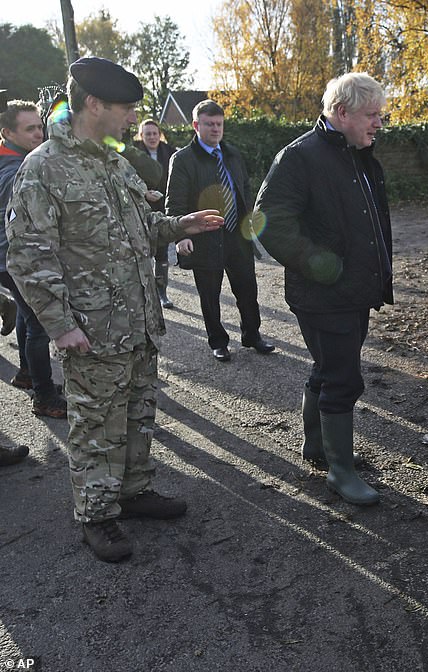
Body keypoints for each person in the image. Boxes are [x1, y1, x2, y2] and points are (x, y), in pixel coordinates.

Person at [5, 57, 224, 562]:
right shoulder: (43, 168)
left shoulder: (114, 161)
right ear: (94, 104)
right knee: (94, 424)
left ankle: (134, 490)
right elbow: (27, 255)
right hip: (90, 329)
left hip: (137, 321)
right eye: (125, 110)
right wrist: (59, 327)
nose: (132, 119)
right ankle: (97, 515)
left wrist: (178, 225)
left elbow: (141, 230)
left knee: (136, 414)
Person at [254, 72, 391, 506]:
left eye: (381, 116)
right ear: (342, 112)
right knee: (342, 377)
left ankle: (319, 448)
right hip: (324, 294)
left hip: (353, 291)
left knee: (330, 366)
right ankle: (340, 470)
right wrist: (321, 265)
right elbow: (268, 222)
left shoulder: (357, 152)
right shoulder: (300, 157)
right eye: (372, 115)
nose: (378, 124)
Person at [166, 99, 273, 362]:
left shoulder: (233, 154)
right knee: (210, 296)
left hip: (237, 235)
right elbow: (175, 202)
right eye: (209, 124)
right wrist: (181, 236)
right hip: (204, 239)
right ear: (195, 125)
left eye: (219, 124)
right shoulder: (182, 160)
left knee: (248, 289)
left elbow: (244, 188)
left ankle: (252, 335)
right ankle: (218, 341)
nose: (215, 129)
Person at [0, 100, 66, 417]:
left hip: (8, 259)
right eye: (30, 129)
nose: (38, 134)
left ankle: (28, 374)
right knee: (39, 325)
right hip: (14, 259)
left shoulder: (15, 160)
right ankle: (44, 397)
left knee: (28, 318)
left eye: (40, 126)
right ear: (7, 133)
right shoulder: (15, 170)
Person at [133, 119, 176, 308]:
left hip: (163, 208)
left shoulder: (170, 152)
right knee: (142, 252)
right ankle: (144, 294)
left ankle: (162, 292)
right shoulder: (133, 153)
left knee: (162, 252)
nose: (152, 137)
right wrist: (143, 193)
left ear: (160, 135)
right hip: (140, 208)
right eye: (147, 134)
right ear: (141, 136)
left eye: (154, 133)